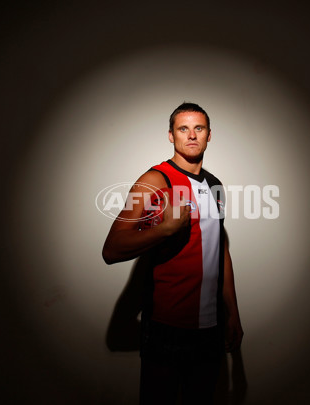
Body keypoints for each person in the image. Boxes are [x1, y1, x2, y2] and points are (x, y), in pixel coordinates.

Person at [102, 102, 243, 404]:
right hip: (167, 327)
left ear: (208, 136)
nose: (192, 135)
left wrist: (233, 311)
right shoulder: (155, 181)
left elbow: (221, 248)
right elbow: (111, 249)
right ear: (171, 136)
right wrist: (164, 230)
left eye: (199, 128)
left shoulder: (215, 184)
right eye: (183, 128)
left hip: (211, 327)